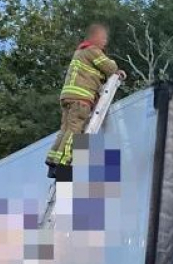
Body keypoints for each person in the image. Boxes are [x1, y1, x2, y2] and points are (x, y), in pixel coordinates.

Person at [45, 23, 127, 180]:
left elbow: (94, 74)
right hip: (81, 99)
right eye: (103, 38)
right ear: (94, 38)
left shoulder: (80, 53)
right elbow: (109, 66)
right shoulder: (93, 51)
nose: (105, 42)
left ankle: (52, 162)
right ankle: (63, 166)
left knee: (65, 130)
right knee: (75, 132)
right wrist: (117, 71)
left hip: (68, 97)